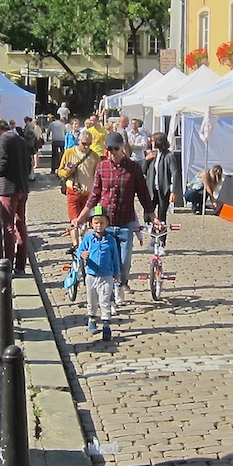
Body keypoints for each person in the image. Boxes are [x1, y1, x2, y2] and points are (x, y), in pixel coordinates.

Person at [76, 132, 154, 306]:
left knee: (124, 262)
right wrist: (82, 217)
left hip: (126, 222)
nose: (112, 152)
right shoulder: (102, 167)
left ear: (123, 148)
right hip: (106, 223)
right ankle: (109, 297)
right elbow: (95, 194)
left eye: (115, 149)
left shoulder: (133, 168)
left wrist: (153, 216)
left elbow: (143, 195)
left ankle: (120, 285)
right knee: (107, 261)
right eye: (109, 149)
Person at [75, 204, 121, 341]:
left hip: (106, 275)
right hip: (91, 275)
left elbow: (115, 258)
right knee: (92, 300)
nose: (99, 225)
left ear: (107, 223)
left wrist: (116, 273)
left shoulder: (111, 241)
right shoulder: (88, 239)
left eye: (102, 222)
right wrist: (82, 254)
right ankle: (92, 318)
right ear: (91, 224)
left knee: (105, 300)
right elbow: (79, 251)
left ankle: (106, 325)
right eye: (96, 222)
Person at [0, 119, 30, 273]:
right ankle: (20, 265)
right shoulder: (19, 139)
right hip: (23, 187)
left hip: (9, 188)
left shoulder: (3, 139)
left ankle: (7, 263)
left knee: (8, 227)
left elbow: (2, 165)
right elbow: (28, 163)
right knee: (21, 225)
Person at [59, 129, 99, 246]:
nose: (86, 147)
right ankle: (76, 245)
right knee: (74, 220)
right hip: (73, 191)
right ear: (78, 141)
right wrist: (67, 172)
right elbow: (60, 171)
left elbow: (98, 175)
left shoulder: (95, 156)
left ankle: (82, 242)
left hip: (88, 193)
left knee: (85, 222)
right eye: (84, 143)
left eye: (89, 144)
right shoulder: (69, 153)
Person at [145, 131, 179, 225]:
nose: (151, 143)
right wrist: (146, 160)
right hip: (152, 189)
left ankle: (161, 238)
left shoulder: (169, 156)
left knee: (161, 215)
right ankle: (152, 234)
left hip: (163, 189)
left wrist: (173, 191)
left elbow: (175, 173)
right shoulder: (154, 155)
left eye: (153, 141)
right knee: (147, 215)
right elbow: (143, 170)